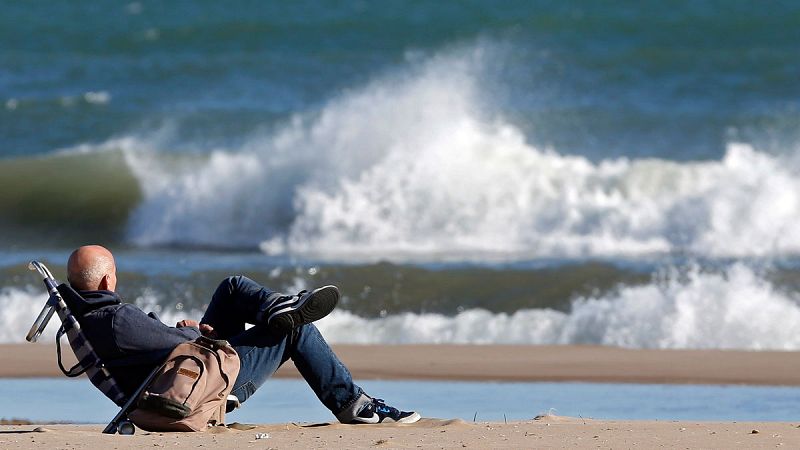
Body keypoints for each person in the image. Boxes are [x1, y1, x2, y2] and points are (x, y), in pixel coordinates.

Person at [66, 245, 420, 424]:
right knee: (297, 330)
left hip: (185, 373)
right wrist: (190, 333)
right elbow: (174, 346)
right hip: (200, 386)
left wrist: (187, 335)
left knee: (232, 289)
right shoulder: (118, 318)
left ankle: (275, 308)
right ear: (107, 280)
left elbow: (154, 347)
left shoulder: (98, 319)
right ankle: (353, 404)